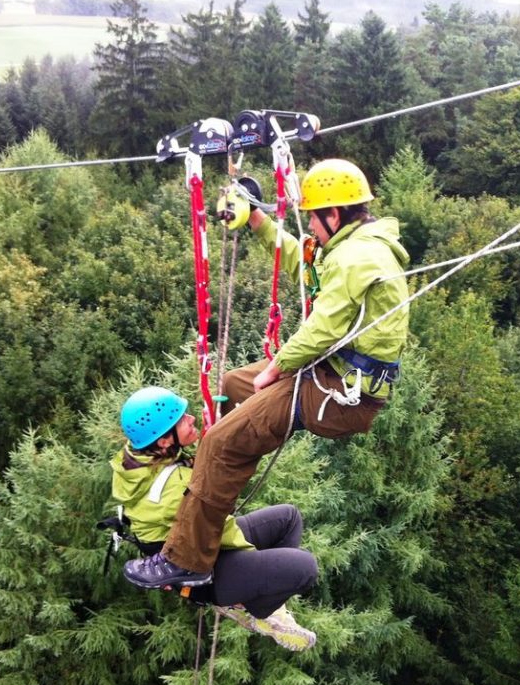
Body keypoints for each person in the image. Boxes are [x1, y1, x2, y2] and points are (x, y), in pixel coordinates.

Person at [123, 158, 410, 589]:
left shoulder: (358, 256)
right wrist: (257, 219)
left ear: (333, 215)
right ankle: (222, 477)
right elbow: (303, 263)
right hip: (328, 373)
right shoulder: (348, 247)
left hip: (338, 392)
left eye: (313, 218)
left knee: (219, 443)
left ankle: (187, 560)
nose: (310, 226)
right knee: (233, 383)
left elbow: (323, 327)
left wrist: (275, 369)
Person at [112, 385, 318, 651]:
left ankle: (263, 600)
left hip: (202, 544)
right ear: (164, 440)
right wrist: (256, 565)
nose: (191, 419)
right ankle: (257, 609)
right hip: (203, 571)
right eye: (182, 420)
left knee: (288, 517)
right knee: (304, 569)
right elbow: (218, 520)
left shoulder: (139, 460)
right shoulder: (178, 489)